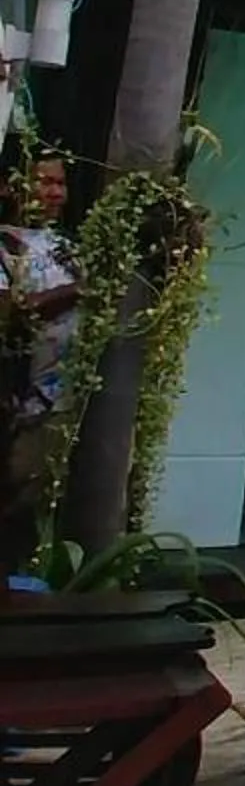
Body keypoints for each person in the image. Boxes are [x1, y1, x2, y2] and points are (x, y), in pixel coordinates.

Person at [0, 149, 81, 573]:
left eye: (60, 183)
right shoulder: (3, 243)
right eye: (44, 181)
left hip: (60, 400)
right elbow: (12, 310)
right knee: (12, 498)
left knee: (41, 504)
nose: (53, 192)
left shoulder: (66, 245)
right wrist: (76, 291)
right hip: (19, 404)